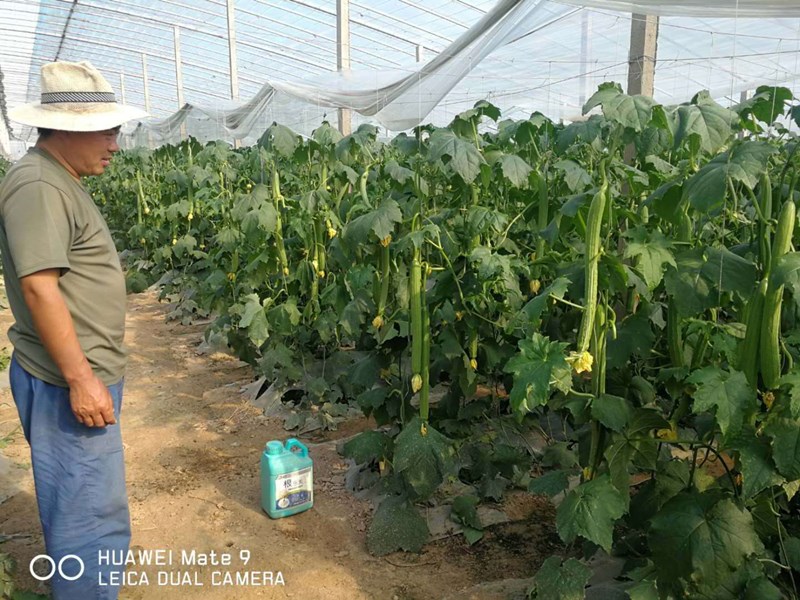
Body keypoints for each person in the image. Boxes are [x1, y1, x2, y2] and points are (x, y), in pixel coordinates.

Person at [0, 61, 147, 599]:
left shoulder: (55, 178)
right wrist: (82, 378)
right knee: (86, 518)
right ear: (68, 128)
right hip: (68, 383)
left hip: (76, 376)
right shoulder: (39, 184)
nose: (115, 143)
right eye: (107, 130)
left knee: (90, 507)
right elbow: (40, 287)